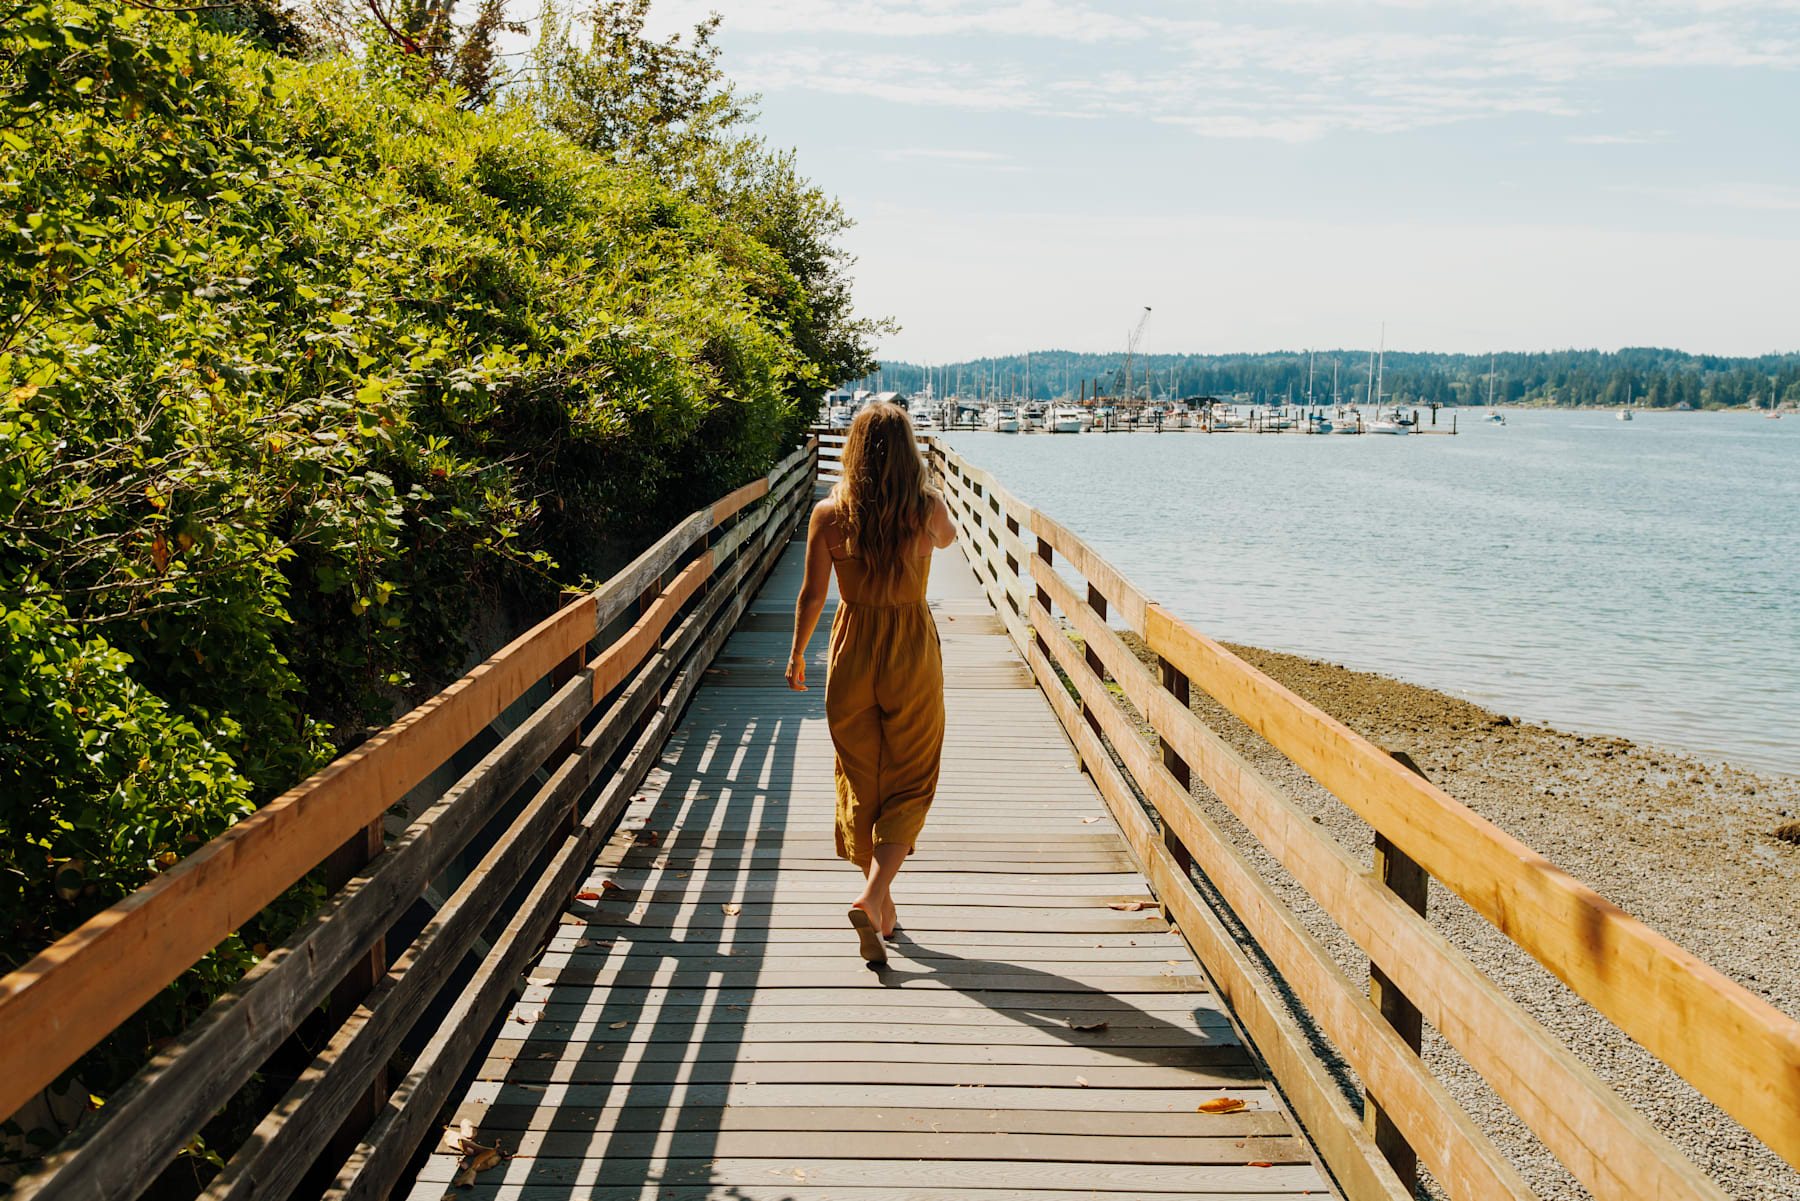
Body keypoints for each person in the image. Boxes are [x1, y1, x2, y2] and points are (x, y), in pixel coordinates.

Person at [786, 403, 956, 965]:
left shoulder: (829, 514)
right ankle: (874, 895)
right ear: (908, 452)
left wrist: (797, 655)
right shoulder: (925, 508)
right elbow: (950, 540)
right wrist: (925, 490)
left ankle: (880, 904)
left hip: (852, 650)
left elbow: (812, 595)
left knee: (861, 777)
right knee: (913, 778)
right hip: (909, 652)